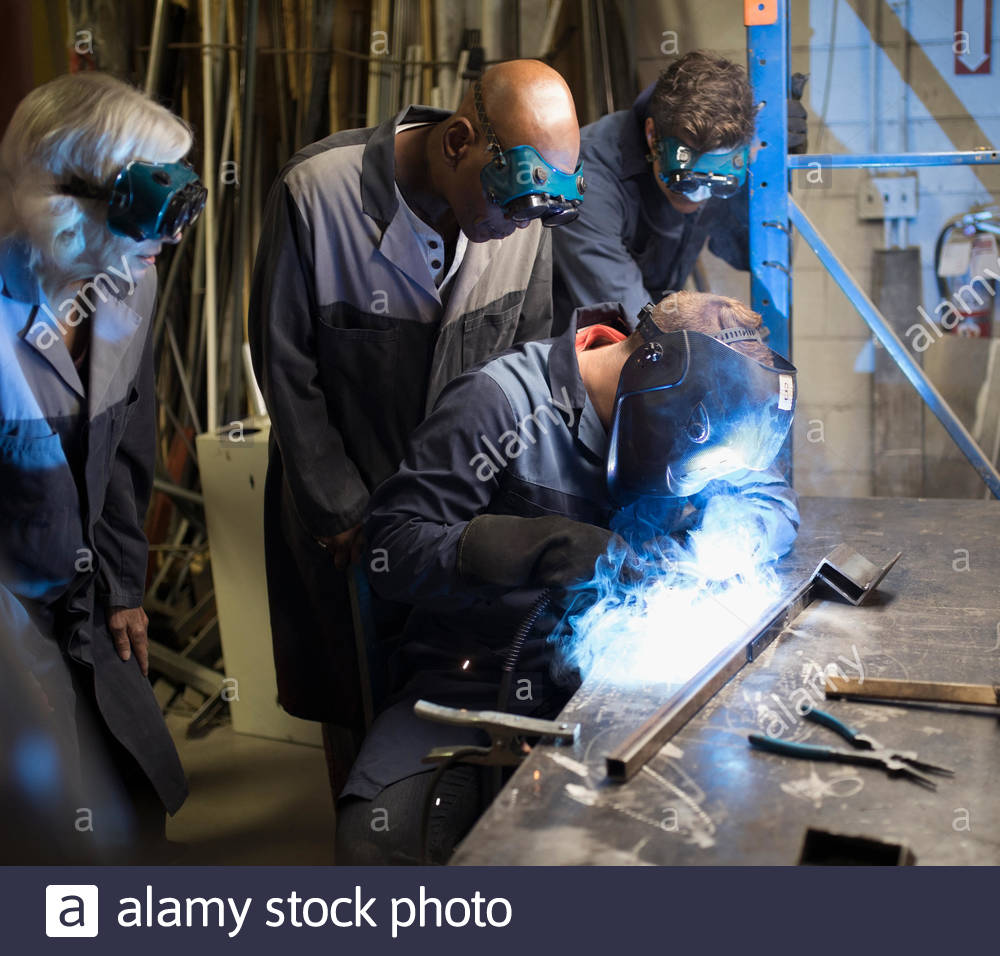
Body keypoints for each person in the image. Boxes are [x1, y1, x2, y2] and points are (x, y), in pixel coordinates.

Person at [335, 290, 799, 863]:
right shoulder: (501, 403)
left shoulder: (708, 410)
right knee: (376, 845)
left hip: (631, 690)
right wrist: (534, 546)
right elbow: (391, 546)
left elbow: (771, 504)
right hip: (478, 687)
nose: (701, 474)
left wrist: (700, 555)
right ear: (657, 396)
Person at [248, 60, 584, 796]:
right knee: (355, 694)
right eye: (513, 206)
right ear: (460, 140)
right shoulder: (318, 192)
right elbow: (285, 363)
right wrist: (339, 507)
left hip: (457, 519)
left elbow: (528, 369)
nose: (519, 227)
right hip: (344, 512)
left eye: (536, 211)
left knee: (446, 688)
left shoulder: (524, 219)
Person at [0, 72, 206, 860]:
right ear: (76, 201)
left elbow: (123, 445)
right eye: (157, 205)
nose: (173, 233)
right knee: (44, 830)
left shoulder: (129, 281)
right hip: (13, 608)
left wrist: (123, 587)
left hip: (84, 595)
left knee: (137, 793)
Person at [552, 50, 805, 324]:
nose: (699, 195)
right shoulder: (588, 174)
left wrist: (776, 167)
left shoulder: (726, 156)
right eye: (684, 182)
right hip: (574, 340)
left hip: (651, 331)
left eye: (716, 185)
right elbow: (630, 318)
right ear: (652, 137)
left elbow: (748, 254)